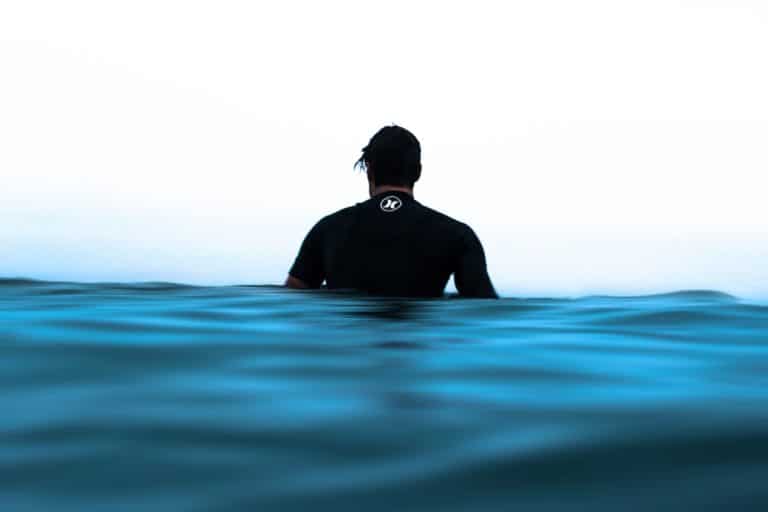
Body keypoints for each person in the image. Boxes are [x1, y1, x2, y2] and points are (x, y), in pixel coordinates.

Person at [285, 125, 497, 298]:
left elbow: (292, 301)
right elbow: (485, 311)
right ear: (418, 172)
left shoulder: (328, 229)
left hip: (349, 347)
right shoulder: (457, 235)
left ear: (369, 169)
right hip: (420, 347)